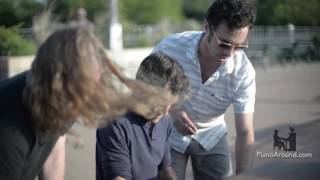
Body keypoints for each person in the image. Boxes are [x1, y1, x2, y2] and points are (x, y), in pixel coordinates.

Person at [0, 26, 159, 180]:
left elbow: (53, 154)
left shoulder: (68, 95)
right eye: (85, 88)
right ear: (59, 81)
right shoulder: (10, 130)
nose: (89, 96)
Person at [152, 0, 257, 179]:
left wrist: (243, 176)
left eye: (239, 46)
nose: (230, 54)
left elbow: (245, 132)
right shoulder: (170, 47)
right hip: (169, 132)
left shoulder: (244, 72)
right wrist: (171, 112)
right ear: (207, 28)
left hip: (212, 134)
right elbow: (146, 89)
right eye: (224, 44)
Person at [96, 53, 190, 180]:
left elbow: (164, 167)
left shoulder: (164, 120)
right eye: (161, 103)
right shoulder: (114, 123)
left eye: (170, 105)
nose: (166, 112)